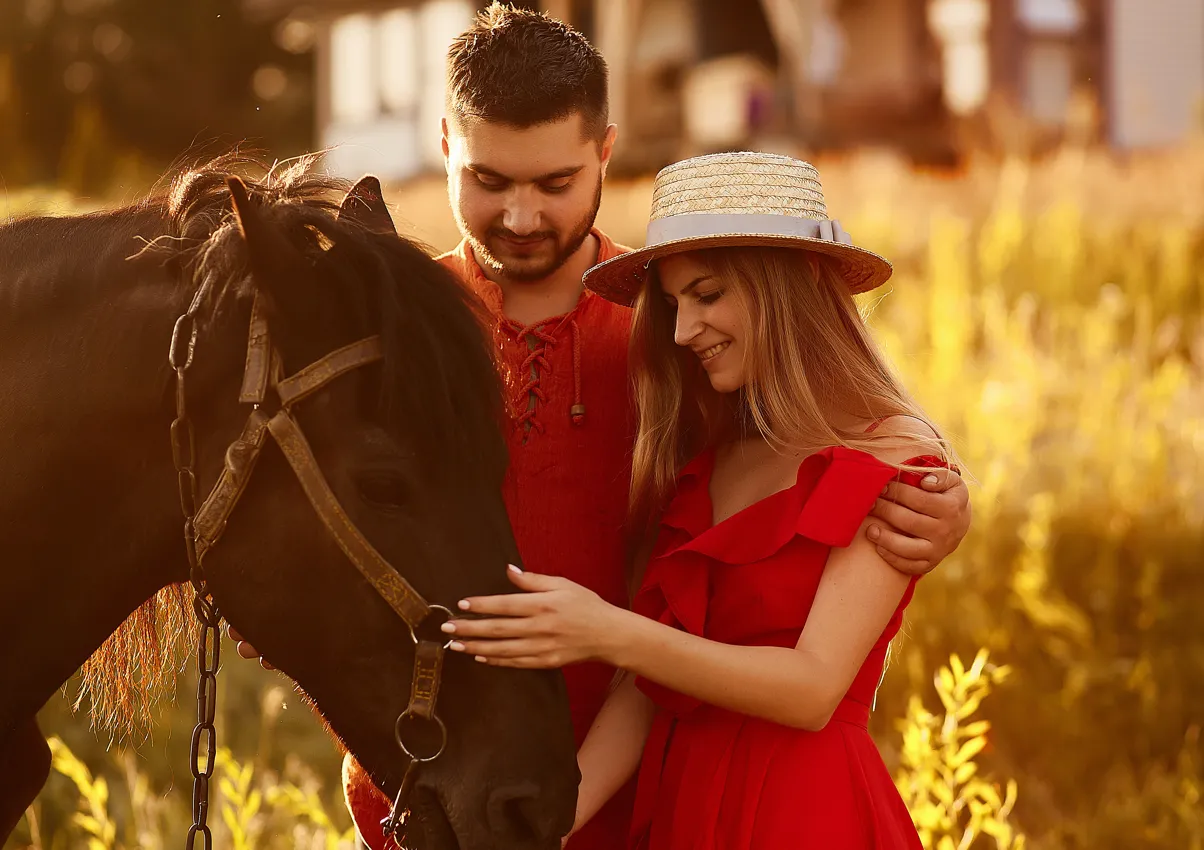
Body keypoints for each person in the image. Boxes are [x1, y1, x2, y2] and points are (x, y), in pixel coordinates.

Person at [232, 8, 974, 849]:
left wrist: (943, 497)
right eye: (489, 179)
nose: (520, 217)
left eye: (554, 184)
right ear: (444, 145)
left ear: (605, 154)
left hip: (646, 795)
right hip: (437, 795)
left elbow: (821, 451)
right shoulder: (387, 335)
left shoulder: (673, 349)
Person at [439, 151, 957, 849]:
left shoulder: (891, 454)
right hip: (685, 810)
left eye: (707, 295)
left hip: (805, 813)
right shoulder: (709, 464)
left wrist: (604, 630)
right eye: (676, 304)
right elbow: (645, 689)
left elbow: (811, 690)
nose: (683, 332)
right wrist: (546, 830)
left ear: (789, 286)